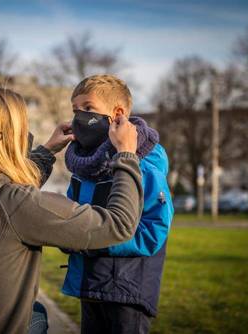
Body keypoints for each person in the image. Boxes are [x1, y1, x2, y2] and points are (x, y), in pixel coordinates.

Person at [0, 86, 144, 334]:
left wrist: (46, 152)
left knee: (36, 313)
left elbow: (2, 188)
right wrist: (126, 154)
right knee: (36, 316)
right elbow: (119, 225)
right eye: (22, 126)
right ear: (3, 136)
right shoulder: (15, 203)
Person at [61, 75, 174, 334]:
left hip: (126, 290)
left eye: (88, 108)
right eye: (75, 110)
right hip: (89, 284)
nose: (79, 116)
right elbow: (70, 215)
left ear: (117, 114)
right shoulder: (83, 167)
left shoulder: (144, 164)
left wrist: (93, 242)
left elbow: (154, 230)